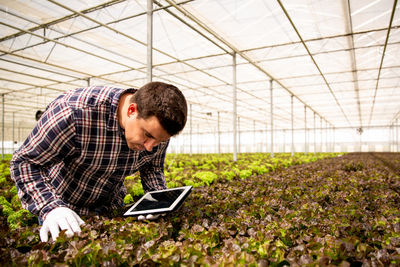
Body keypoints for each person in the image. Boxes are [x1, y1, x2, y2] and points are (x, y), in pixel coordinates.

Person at [10, 81, 187, 242]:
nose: (150, 147)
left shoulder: (157, 130)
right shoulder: (73, 113)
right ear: (131, 110)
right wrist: (51, 208)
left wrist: (157, 201)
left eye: (160, 141)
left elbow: (152, 168)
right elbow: (25, 162)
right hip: (64, 210)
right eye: (147, 135)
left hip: (111, 208)